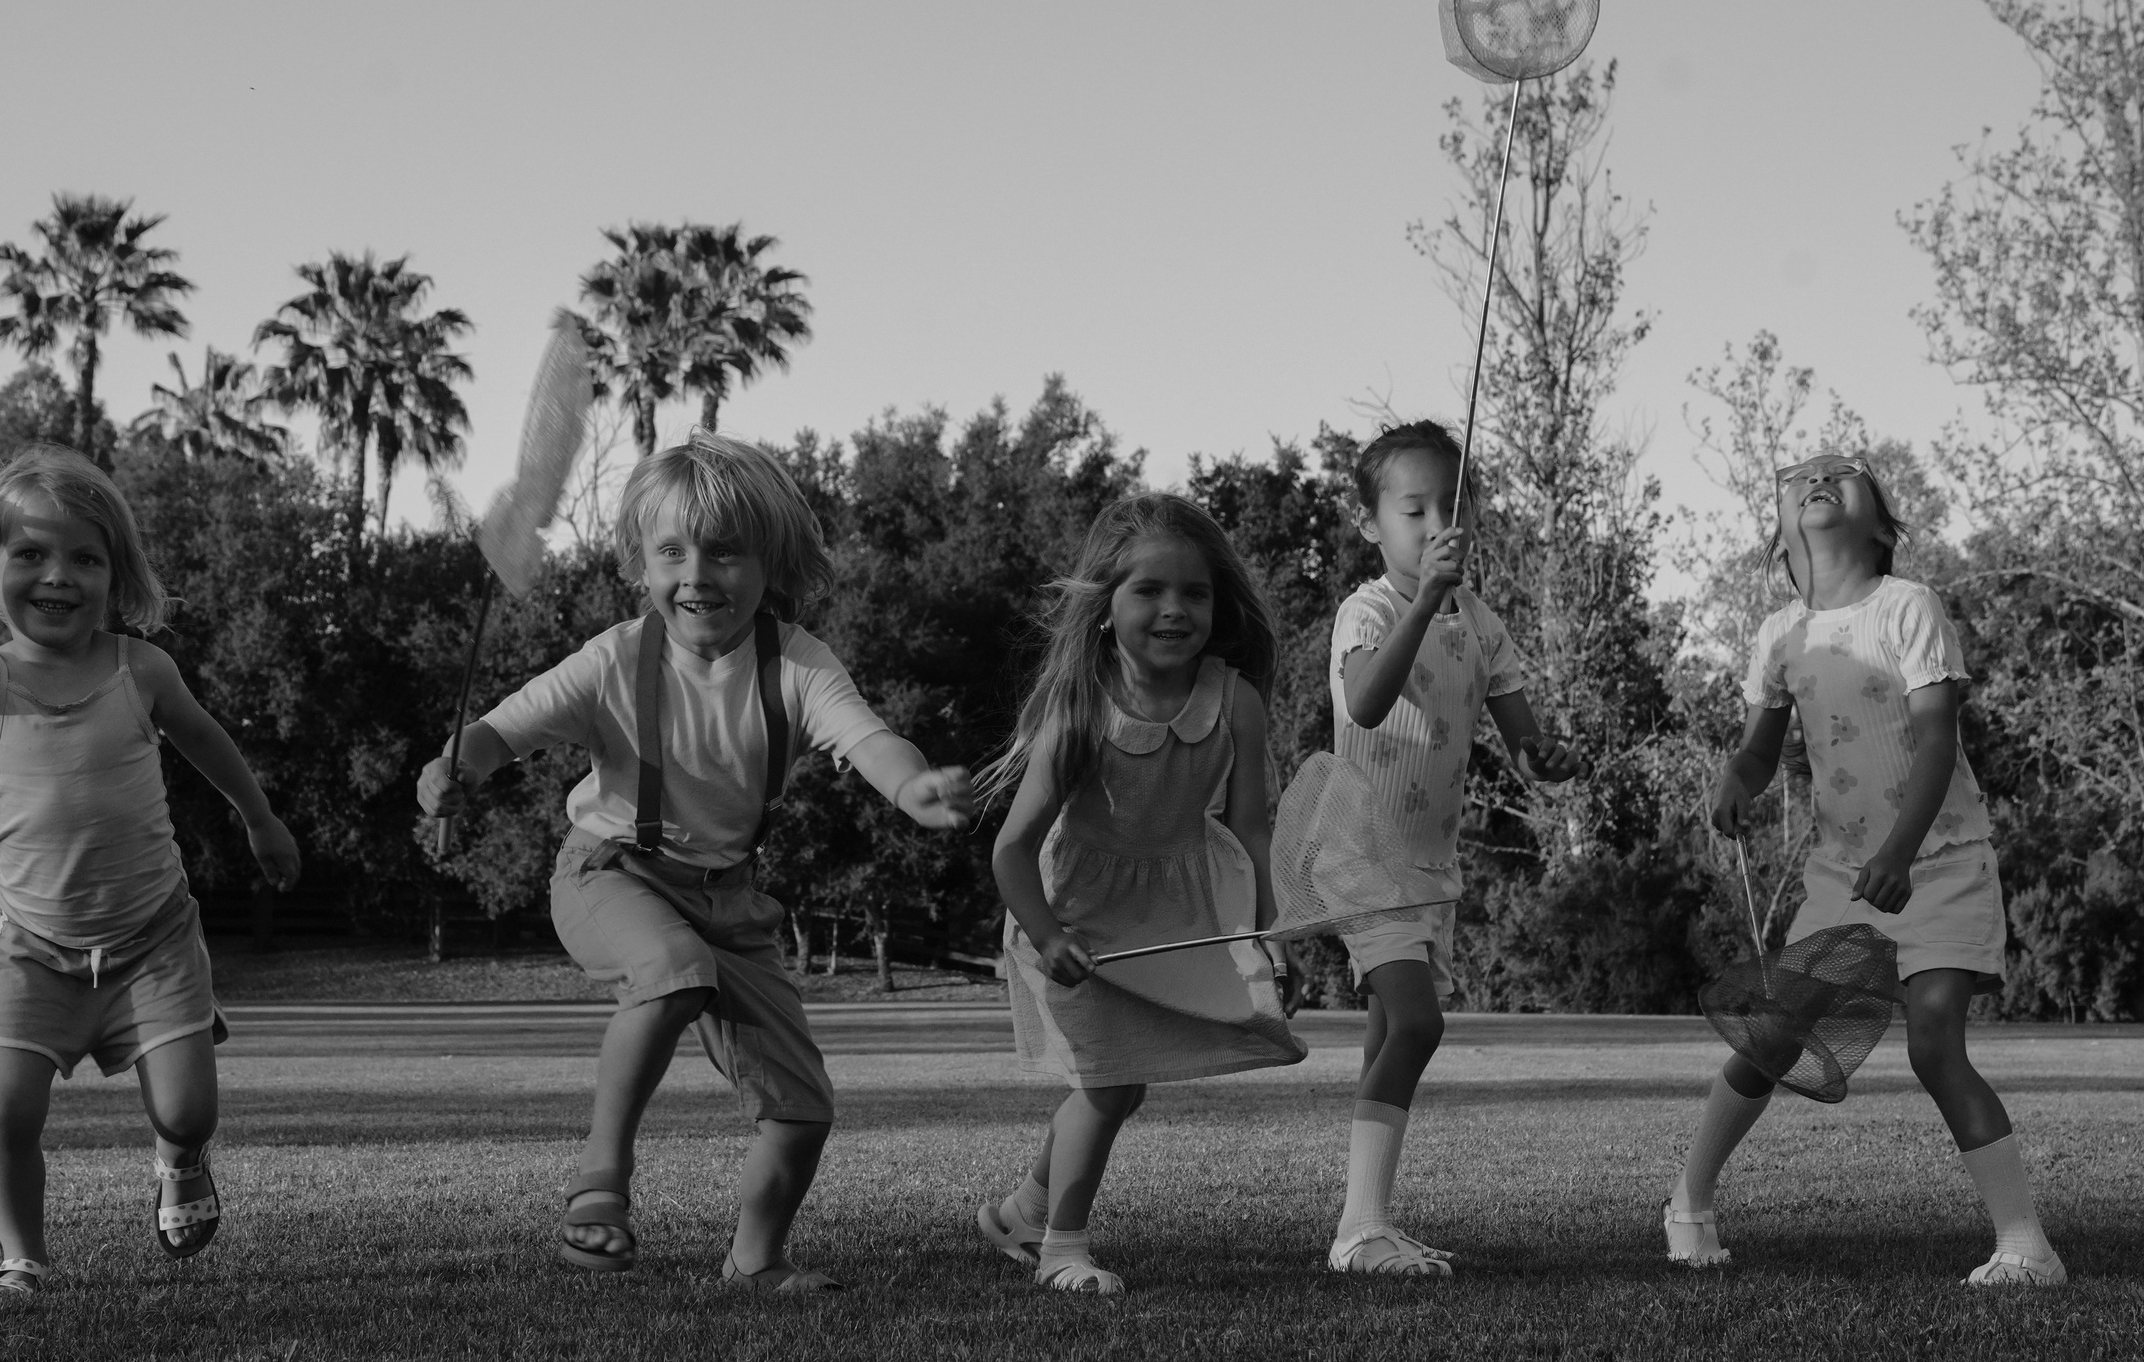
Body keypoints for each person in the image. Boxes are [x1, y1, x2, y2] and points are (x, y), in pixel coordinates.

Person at [418, 433, 972, 1292]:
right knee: (672, 972)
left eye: (724, 550)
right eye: (671, 550)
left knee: (801, 1112)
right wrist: (454, 769)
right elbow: (499, 732)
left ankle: (755, 1262)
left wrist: (913, 790)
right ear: (641, 565)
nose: (697, 573)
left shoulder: (798, 664)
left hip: (728, 900)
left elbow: (872, 740)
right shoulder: (612, 659)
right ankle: (599, 1186)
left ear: (770, 563)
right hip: (611, 872)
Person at [0, 450, 301, 1297]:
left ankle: (179, 1158)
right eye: (30, 554)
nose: (57, 576)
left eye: (85, 558)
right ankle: (22, 1254)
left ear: (116, 575)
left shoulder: (142, 669)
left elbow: (206, 740)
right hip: (32, 948)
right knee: (7, 1113)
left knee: (188, 1109)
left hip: (154, 939)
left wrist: (259, 817)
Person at [1667, 452, 2064, 1286]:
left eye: (1843, 474)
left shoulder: (1908, 606)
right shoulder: (1780, 634)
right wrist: (1734, 783)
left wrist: (1899, 853)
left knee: (1933, 1042)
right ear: (1779, 532)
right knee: (1771, 1040)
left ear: (1881, 528)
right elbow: (1757, 750)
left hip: (1943, 861)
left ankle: (2025, 1245)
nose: (1818, 478)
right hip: (1842, 877)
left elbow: (1936, 740)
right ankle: (1690, 1200)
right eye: (1799, 477)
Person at [975, 495, 1302, 1295]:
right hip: (1076, 918)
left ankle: (1019, 1211)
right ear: (1103, 608)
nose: (1174, 609)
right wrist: (1047, 936)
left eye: (1194, 593)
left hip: (1177, 912)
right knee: (1109, 1083)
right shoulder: (1080, 711)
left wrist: (1270, 929)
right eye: (1148, 591)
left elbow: (1252, 828)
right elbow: (1011, 849)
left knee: (1123, 1086)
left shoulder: (1237, 703)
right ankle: (1063, 1247)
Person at [1325, 422, 1582, 1278]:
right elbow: (1364, 703)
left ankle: (1369, 1224)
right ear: (1371, 525)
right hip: (1364, 849)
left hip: (1431, 861)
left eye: (1454, 503)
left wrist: (1547, 758)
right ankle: (1360, 1233)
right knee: (1419, 1023)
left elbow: (1524, 740)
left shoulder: (1483, 621)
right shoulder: (1367, 611)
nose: (1439, 523)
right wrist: (1424, 601)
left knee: (1386, 1032)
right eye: (1415, 509)